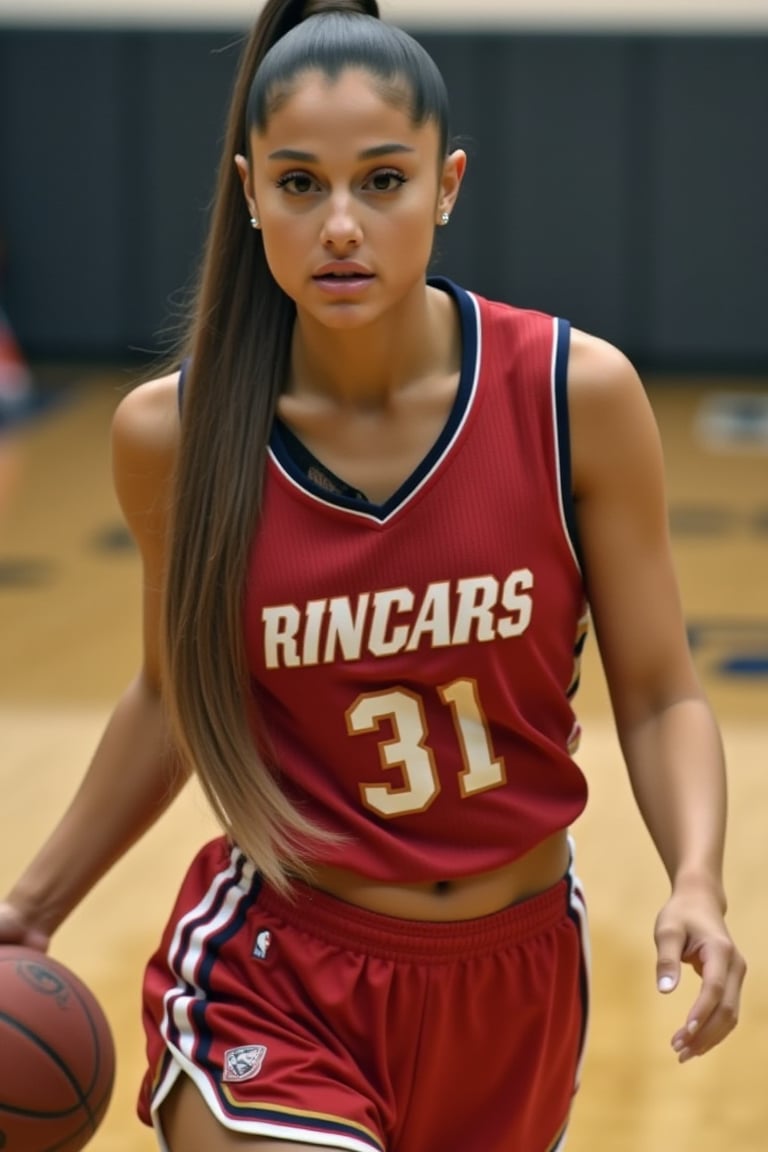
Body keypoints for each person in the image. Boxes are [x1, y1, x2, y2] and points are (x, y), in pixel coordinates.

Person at [0, 1, 746, 1150]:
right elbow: (169, 697)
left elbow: (659, 692)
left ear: (446, 184)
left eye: (382, 182)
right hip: (282, 969)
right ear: (250, 191)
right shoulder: (176, 433)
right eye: (300, 185)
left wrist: (697, 877)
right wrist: (30, 908)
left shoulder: (572, 395)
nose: (340, 224)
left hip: (516, 975)